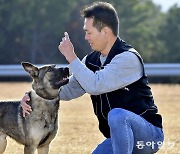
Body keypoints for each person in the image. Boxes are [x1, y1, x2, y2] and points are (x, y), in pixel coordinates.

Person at [21, 2, 164, 154]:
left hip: (148, 139)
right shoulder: (90, 61)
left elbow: (96, 85)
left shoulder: (127, 58)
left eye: (89, 32)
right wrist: (32, 96)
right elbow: (67, 90)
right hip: (118, 139)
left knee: (117, 115)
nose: (85, 37)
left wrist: (71, 56)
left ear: (106, 32)